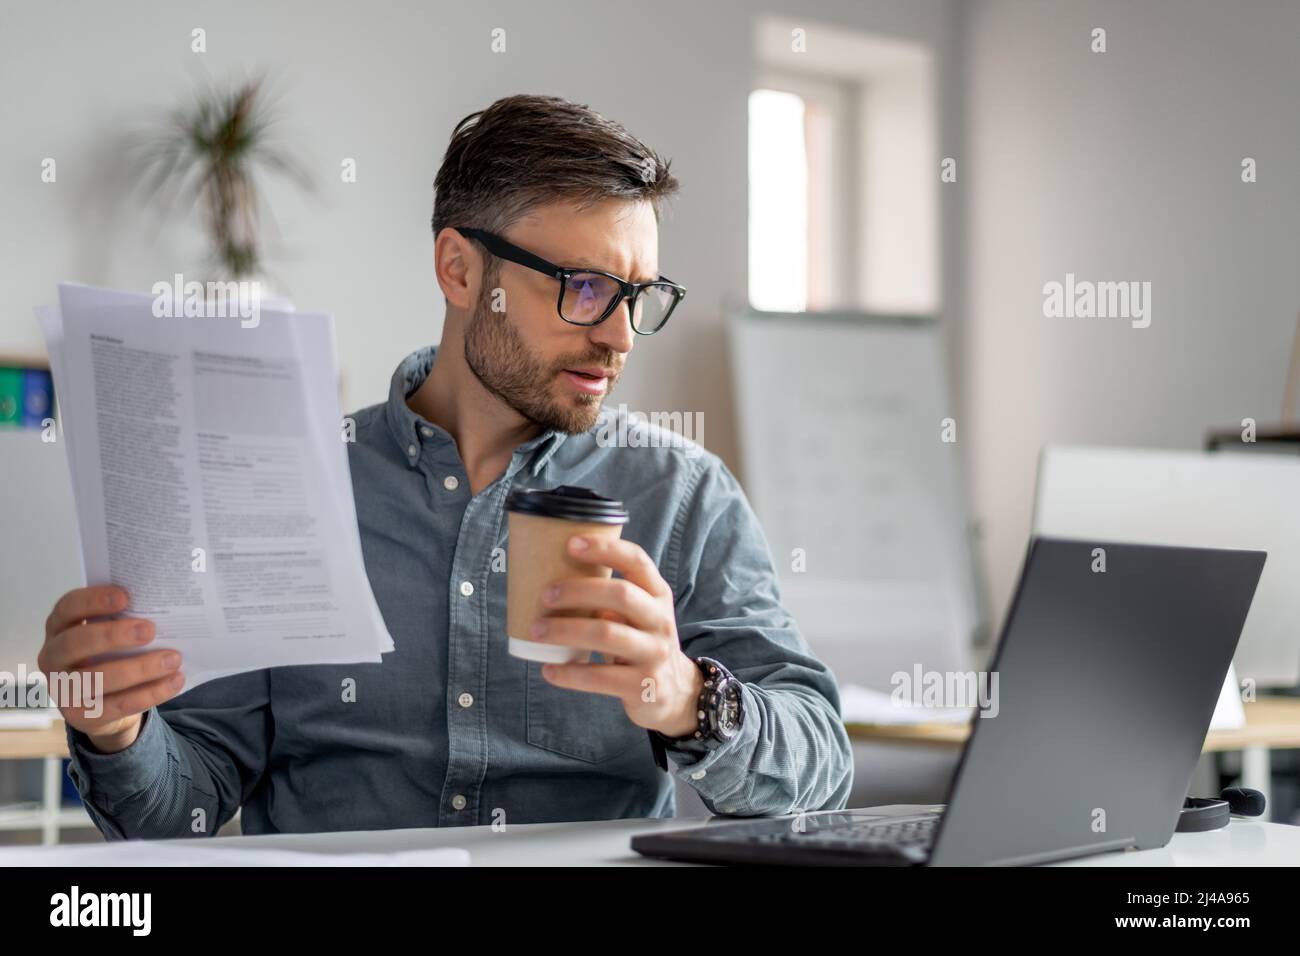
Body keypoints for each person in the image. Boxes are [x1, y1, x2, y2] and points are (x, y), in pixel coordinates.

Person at [37, 94, 853, 838]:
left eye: (638, 295)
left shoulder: (683, 499)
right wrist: (118, 732)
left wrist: (684, 697)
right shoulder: (290, 481)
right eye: (584, 288)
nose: (620, 336)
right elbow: (182, 808)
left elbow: (821, 773)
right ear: (461, 270)